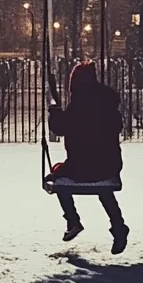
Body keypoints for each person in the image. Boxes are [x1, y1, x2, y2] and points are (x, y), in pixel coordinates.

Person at [46, 60, 129, 254]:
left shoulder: (78, 106)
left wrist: (54, 114)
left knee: (56, 179)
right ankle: (118, 226)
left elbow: (60, 129)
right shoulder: (108, 105)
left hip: (82, 167)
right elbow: (117, 127)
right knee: (104, 189)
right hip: (109, 165)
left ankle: (73, 220)